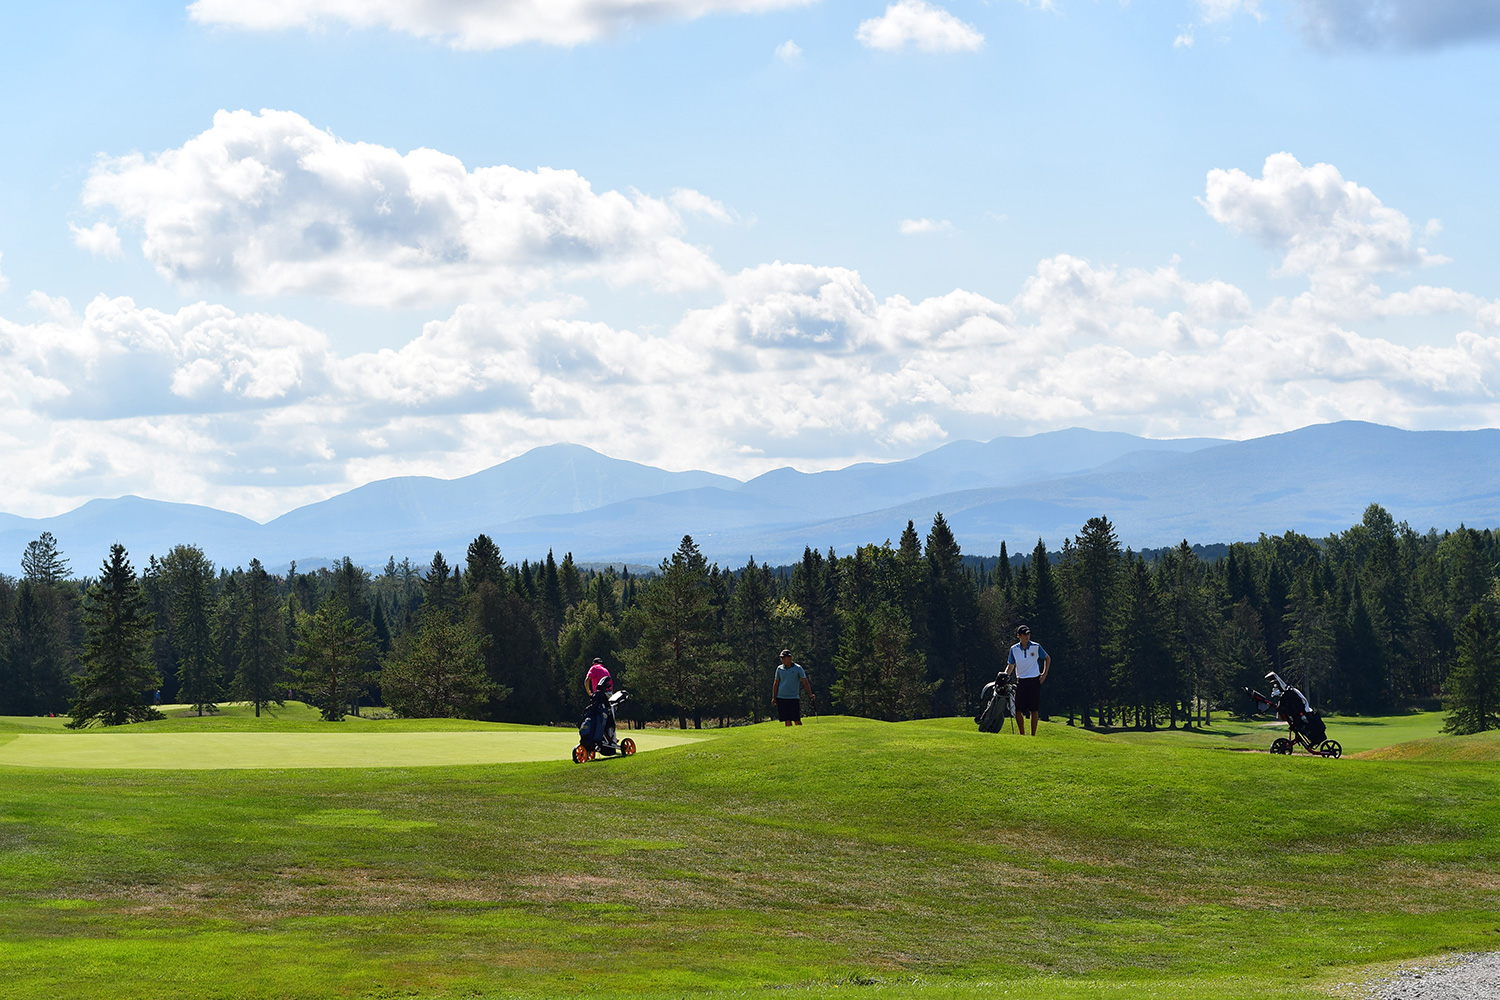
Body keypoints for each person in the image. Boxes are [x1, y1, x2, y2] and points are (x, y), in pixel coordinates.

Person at [1005, 625, 1050, 736]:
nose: (1027, 636)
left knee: (1034, 709)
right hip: (1021, 681)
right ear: (1019, 636)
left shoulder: (1036, 646)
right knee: (1018, 709)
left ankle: (1033, 735)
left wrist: (1044, 675)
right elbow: (1010, 665)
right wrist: (1005, 676)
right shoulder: (1014, 649)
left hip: (1034, 681)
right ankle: (1022, 734)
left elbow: (1047, 658)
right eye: (1025, 634)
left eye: (1028, 634)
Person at [771, 649, 815, 726]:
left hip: (793, 697)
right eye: (781, 658)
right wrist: (774, 698)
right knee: (786, 720)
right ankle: (790, 733)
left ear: (790, 658)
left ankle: (800, 732)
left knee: (796, 719)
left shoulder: (798, 668)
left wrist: (810, 694)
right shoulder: (779, 668)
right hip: (781, 697)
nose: (782, 660)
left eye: (784, 658)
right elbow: (776, 683)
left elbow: (805, 682)